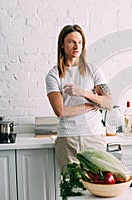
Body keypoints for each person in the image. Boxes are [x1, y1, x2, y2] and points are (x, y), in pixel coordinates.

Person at [45, 24, 113, 170]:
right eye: (71, 42)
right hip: (68, 139)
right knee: (72, 188)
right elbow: (61, 111)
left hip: (94, 136)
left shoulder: (93, 70)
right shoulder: (54, 74)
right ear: (62, 45)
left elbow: (108, 103)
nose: (77, 46)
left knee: (98, 185)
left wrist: (83, 93)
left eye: (80, 42)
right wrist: (91, 105)